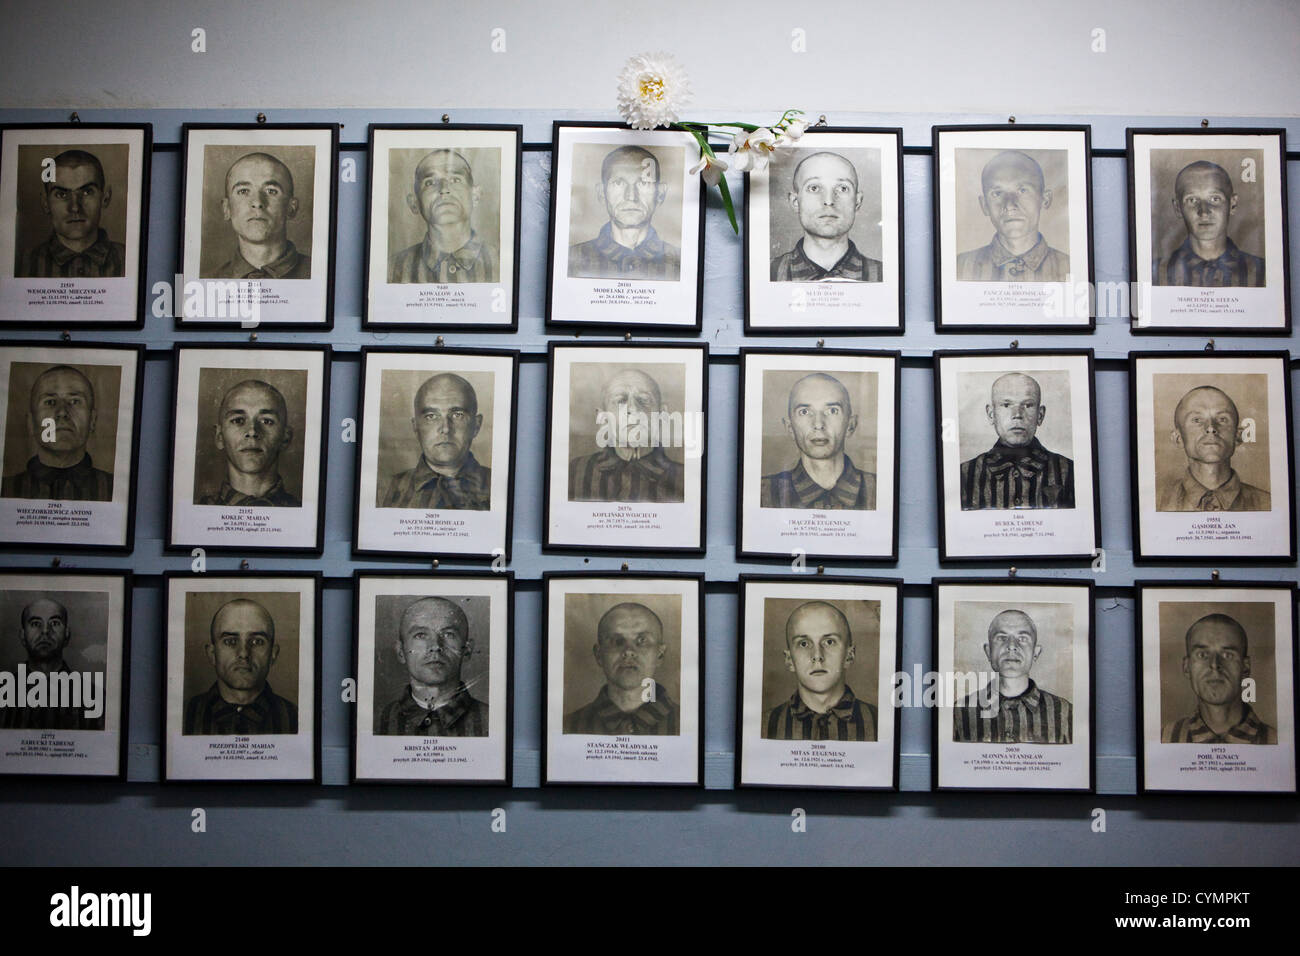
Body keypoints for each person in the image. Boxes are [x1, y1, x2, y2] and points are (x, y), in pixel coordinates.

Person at [953, 609, 1073, 743]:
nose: (1011, 646)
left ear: (1035, 652)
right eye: (1001, 638)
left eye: (1022, 638)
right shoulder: (960, 712)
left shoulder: (1065, 712)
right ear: (988, 651)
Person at [960, 372, 1074, 510]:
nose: (1017, 415)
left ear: (1040, 415)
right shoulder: (964, 475)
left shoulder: (1070, 472)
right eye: (1006, 405)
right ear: (991, 414)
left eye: (1028, 405)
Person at [764, 601, 877, 741]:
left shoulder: (879, 724)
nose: (817, 656)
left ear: (849, 655)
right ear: (789, 660)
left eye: (829, 642)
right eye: (804, 643)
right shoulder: (764, 726)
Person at [568, 367, 684, 503]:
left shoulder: (684, 479)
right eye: (620, 401)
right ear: (603, 417)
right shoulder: (575, 472)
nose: (633, 409)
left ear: (662, 415)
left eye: (644, 399)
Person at [761, 372, 875, 510]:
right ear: (790, 427)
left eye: (832, 411)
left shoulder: (880, 490)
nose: (818, 424)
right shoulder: (762, 493)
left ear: (850, 425)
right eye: (804, 412)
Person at [376, 596, 488, 736]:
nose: (435, 646)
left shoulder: (491, 721)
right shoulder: (378, 723)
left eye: (448, 634)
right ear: (401, 652)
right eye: (421, 635)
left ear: (466, 650)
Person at [183, 598, 297, 735]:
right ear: (212, 654)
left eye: (256, 641)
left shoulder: (296, 719)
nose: (243, 653)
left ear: (273, 654)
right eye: (230, 641)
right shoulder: (183, 716)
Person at [563, 602, 679, 735]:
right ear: (599, 655)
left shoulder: (685, 726)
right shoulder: (568, 726)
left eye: (642, 640)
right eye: (616, 641)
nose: (628, 651)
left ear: (660, 654)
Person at [568, 145, 680, 280]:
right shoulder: (570, 260)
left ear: (660, 194)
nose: (631, 196)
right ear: (602, 193)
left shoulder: (681, 263)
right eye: (619, 183)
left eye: (644, 183)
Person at [381, 373, 490, 510]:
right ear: (415, 426)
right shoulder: (385, 491)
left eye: (457, 415)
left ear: (476, 425)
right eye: (431, 416)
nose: (445, 428)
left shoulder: (499, 486)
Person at [2, 365, 113, 501]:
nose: (62, 412)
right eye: (50, 402)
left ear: (92, 420)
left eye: (74, 401)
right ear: (31, 423)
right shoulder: (5, 489)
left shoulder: (113, 489)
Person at [956, 150, 1069, 282]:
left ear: (1045, 199)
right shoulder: (959, 267)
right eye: (997, 193)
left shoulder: (1070, 268)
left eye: (1022, 190)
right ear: (985, 205)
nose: (1009, 205)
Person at [1162, 613, 1275, 744]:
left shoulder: (1276, 741)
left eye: (1228, 655)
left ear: (1245, 667)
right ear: (1187, 666)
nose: (1215, 665)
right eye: (1203, 654)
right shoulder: (1165, 738)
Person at [770, 151, 882, 282]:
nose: (829, 201)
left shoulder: (884, 276)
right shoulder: (766, 274)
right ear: (795, 201)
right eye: (814, 188)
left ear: (857, 201)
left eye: (842, 188)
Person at [389, 149, 498, 284]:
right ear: (414, 203)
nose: (444, 189)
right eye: (430, 182)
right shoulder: (392, 269)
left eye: (455, 179)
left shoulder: (501, 263)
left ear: (475, 195)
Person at [1157, 385, 1269, 512]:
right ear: (1178, 438)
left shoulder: (1267, 504)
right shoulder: (1156, 502)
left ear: (1238, 436)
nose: (1210, 427)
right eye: (1197, 420)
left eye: (1222, 419)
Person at [1154, 160, 1264, 287]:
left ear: (1232, 204)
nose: (1204, 212)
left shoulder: (1262, 273)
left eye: (1214, 199)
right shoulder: (1156, 274)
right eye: (1192, 200)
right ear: (1178, 208)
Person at [19, 149, 126, 279]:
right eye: (61, 194)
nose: (75, 207)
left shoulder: (129, 258)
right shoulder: (23, 265)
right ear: (45, 203)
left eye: (87, 192)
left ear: (105, 198)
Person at [0, 598, 104, 730]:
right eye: (35, 623)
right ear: (22, 635)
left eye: (54, 623)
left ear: (67, 634)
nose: (45, 631)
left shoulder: (95, 698)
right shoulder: (3, 693)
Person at [195, 379, 300, 507]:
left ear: (285, 437)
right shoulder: (199, 511)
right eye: (238, 420)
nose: (252, 431)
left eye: (266, 421)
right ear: (219, 436)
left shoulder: (302, 513)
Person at [211, 151, 311, 279]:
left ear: (291, 208)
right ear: (226, 208)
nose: (257, 202)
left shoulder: (318, 275)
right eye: (243, 191)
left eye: (271, 191)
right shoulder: (212, 280)